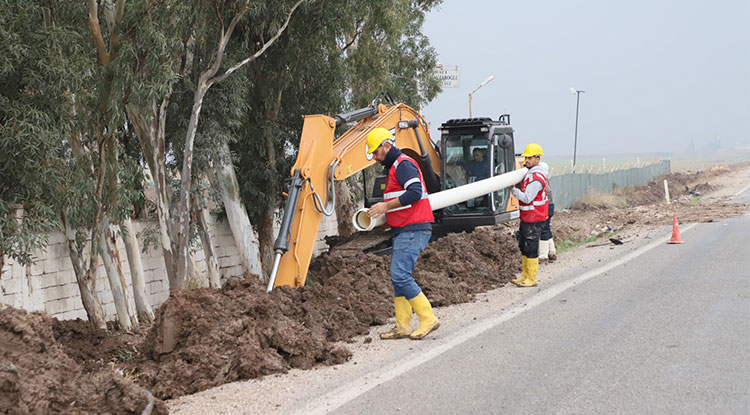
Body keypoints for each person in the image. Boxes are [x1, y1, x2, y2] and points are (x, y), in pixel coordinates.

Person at [366, 128, 440, 340]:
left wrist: (386, 206)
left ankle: (428, 318)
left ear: (386, 146)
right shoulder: (394, 168)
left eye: (375, 152)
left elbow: (415, 193)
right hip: (405, 228)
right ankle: (403, 326)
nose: (374, 157)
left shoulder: (403, 164)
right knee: (398, 278)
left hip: (414, 228)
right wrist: (385, 217)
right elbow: (401, 200)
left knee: (400, 275)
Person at [509, 143, 549, 287]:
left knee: (531, 247)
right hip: (528, 217)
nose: (526, 160)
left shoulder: (536, 177)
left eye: (530, 158)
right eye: (526, 158)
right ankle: (524, 275)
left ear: (537, 159)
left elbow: (527, 198)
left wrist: (513, 190)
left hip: (535, 217)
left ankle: (531, 278)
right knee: (524, 245)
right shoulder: (530, 174)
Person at [538, 162, 557, 262]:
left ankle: (543, 255)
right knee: (547, 228)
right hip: (550, 206)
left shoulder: (541, 181)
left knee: (543, 229)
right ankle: (552, 251)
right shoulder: (546, 179)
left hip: (545, 206)